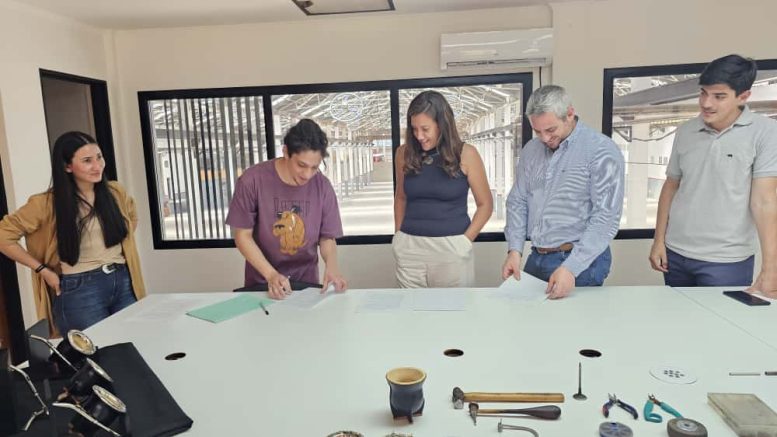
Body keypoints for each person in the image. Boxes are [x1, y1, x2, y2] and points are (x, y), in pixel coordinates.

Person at [649, 54, 777, 295]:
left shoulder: (766, 133)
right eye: (703, 93)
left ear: (743, 96)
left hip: (726, 260)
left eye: (719, 96)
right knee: (677, 317)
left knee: (722, 319)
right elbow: (671, 186)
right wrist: (658, 241)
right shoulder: (686, 131)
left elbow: (765, 202)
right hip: (675, 253)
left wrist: (771, 268)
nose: (706, 103)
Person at [0, 131, 145, 336]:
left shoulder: (115, 192)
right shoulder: (46, 203)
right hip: (80, 288)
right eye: (87, 161)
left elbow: (131, 218)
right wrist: (43, 270)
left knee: (131, 344)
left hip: (122, 279)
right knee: (94, 350)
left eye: (99, 157)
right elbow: (4, 236)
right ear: (67, 166)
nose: (97, 166)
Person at [502, 85, 624, 299]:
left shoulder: (601, 150)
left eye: (550, 130)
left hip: (581, 261)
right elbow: (518, 201)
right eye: (537, 131)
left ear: (569, 113)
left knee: (571, 321)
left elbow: (606, 218)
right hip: (537, 257)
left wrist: (571, 267)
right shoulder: (531, 150)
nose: (544, 138)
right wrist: (515, 250)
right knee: (526, 318)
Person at [226, 119, 347, 299]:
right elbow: (242, 236)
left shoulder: (323, 186)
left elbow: (326, 237)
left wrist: (332, 266)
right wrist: (271, 275)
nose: (307, 175)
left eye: (314, 167)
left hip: (306, 285)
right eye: (301, 165)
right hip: (262, 284)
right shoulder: (252, 181)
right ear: (285, 152)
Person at [393, 90, 493, 288]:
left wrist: (464, 242)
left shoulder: (467, 154)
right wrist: (398, 237)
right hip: (409, 248)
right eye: (414, 129)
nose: (419, 136)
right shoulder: (403, 153)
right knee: (409, 307)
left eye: (425, 129)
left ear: (442, 124)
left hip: (452, 249)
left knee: (453, 307)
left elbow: (485, 205)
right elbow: (401, 198)